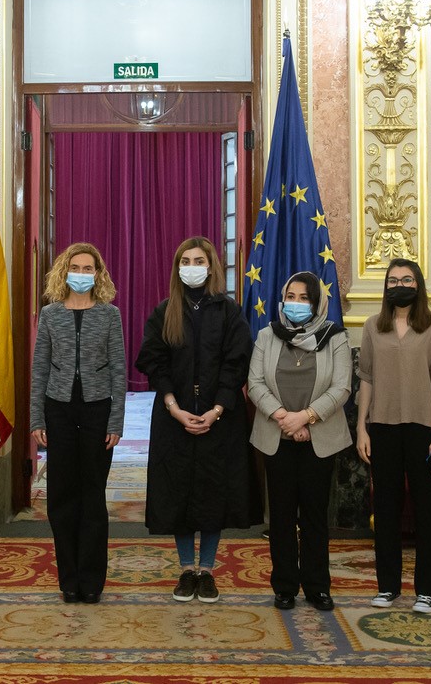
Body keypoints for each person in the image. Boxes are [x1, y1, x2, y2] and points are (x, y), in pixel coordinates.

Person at [136, 236, 252, 604]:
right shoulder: (164, 311)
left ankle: (208, 571)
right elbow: (154, 362)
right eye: (185, 260)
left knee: (213, 493)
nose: (192, 266)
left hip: (222, 417)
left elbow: (238, 362)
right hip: (174, 415)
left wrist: (217, 409)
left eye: (198, 260)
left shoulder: (229, 311)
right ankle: (187, 570)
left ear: (212, 265)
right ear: (177, 268)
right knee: (179, 492)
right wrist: (173, 405)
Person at [247, 271, 351, 611]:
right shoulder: (267, 335)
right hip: (276, 436)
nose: (294, 303)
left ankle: (318, 586)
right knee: (280, 516)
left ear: (317, 303)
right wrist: (283, 418)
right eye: (290, 296)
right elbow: (255, 382)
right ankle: (285, 586)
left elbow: (341, 388)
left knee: (314, 516)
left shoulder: (335, 337)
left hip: (318, 437)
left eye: (303, 298)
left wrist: (305, 418)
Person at [355, 258, 431, 614]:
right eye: (393, 279)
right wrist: (361, 426)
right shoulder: (372, 327)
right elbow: (366, 377)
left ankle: (428, 590)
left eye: (407, 279)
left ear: (418, 285)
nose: (400, 284)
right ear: (385, 287)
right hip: (381, 427)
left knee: (427, 511)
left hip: (424, 429)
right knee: (385, 511)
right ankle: (388, 587)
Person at [30, 243, 126, 604]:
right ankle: (68, 578)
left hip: (97, 411)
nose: (82, 274)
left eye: (89, 269)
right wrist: (36, 416)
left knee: (91, 495)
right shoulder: (51, 314)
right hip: (58, 409)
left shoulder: (110, 315)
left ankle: (91, 580)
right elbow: (39, 367)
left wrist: (116, 420)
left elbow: (119, 369)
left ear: (98, 274)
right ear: (64, 272)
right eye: (76, 267)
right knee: (61, 496)